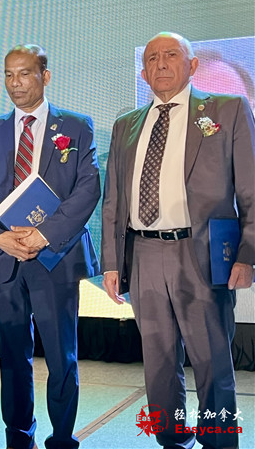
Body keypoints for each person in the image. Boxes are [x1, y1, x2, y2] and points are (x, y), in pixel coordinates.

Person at [101, 32, 255, 449]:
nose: (161, 63)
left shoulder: (227, 109)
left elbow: (251, 190)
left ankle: (218, 442)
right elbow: (113, 200)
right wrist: (112, 263)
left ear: (192, 66)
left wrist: (247, 254)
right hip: (143, 253)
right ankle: (171, 440)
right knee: (158, 364)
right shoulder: (126, 125)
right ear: (144, 72)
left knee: (212, 362)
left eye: (171, 55)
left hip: (201, 252)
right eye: (152, 58)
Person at [0, 44, 100, 449]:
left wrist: (44, 235)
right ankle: (18, 437)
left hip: (53, 257)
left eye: (24, 73)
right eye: (9, 75)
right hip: (4, 258)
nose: (15, 83)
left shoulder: (76, 126)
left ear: (45, 76)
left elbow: (88, 189)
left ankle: (62, 438)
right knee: (12, 355)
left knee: (61, 356)